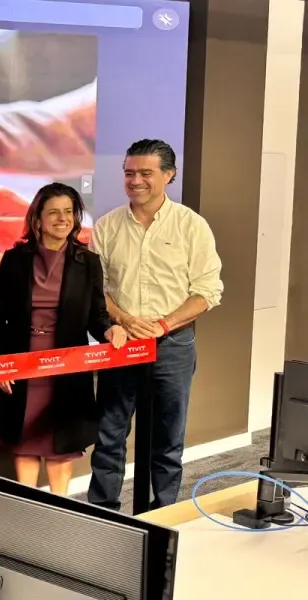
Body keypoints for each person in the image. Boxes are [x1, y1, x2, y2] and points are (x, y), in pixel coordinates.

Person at [88, 139, 223, 511]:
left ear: (169, 175)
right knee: (109, 436)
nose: (135, 181)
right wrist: (124, 319)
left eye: (145, 173)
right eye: (129, 173)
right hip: (122, 345)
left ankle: (163, 517)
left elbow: (207, 292)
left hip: (173, 346)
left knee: (167, 440)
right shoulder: (107, 226)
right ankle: (103, 514)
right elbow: (97, 290)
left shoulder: (191, 226)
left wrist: (164, 324)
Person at [0, 183, 127, 496]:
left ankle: (59, 505)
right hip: (23, 364)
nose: (62, 218)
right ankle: (26, 504)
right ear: (37, 219)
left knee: (60, 444)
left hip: (67, 368)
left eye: (68, 212)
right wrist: (1, 364)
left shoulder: (88, 262)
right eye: (53, 212)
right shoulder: (14, 260)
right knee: (25, 439)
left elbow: (97, 316)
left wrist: (110, 330)